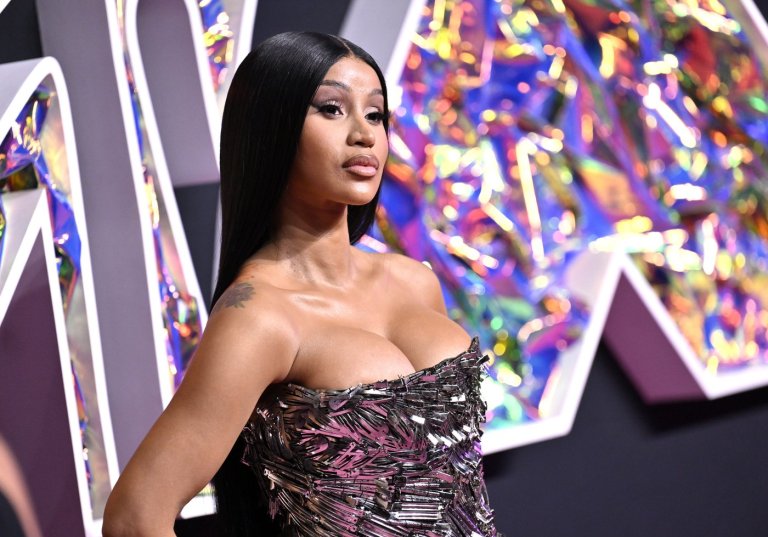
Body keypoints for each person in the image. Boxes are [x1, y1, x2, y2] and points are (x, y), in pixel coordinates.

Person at [103, 31, 499, 536]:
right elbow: (134, 518)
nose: (364, 134)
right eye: (332, 109)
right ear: (271, 126)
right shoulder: (259, 316)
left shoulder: (413, 280)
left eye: (375, 114)